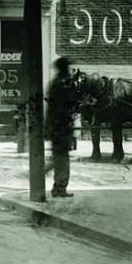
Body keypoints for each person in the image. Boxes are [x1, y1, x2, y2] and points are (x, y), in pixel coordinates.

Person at [47, 55, 79, 198]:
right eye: (70, 67)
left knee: (59, 158)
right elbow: (66, 106)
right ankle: (59, 188)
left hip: (57, 126)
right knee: (62, 159)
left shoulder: (56, 82)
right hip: (61, 127)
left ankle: (57, 186)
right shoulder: (62, 84)